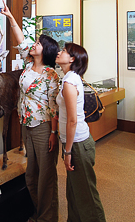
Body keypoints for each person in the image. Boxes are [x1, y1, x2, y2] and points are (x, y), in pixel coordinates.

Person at [1, 1, 60, 222]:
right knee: (31, 176)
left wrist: (54, 134)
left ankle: (47, 218)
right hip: (26, 125)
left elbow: (53, 107)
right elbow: (20, 38)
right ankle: (38, 212)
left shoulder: (51, 75)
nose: (33, 44)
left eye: (38, 43)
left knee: (46, 177)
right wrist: (10, 17)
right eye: (35, 42)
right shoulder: (28, 64)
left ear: (46, 51)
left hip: (44, 128)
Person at [56, 42, 106, 222]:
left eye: (64, 51)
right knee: (74, 193)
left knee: (86, 196)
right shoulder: (70, 77)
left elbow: (72, 120)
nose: (59, 52)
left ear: (72, 59)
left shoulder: (69, 82)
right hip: (74, 142)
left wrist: (67, 151)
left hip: (77, 144)